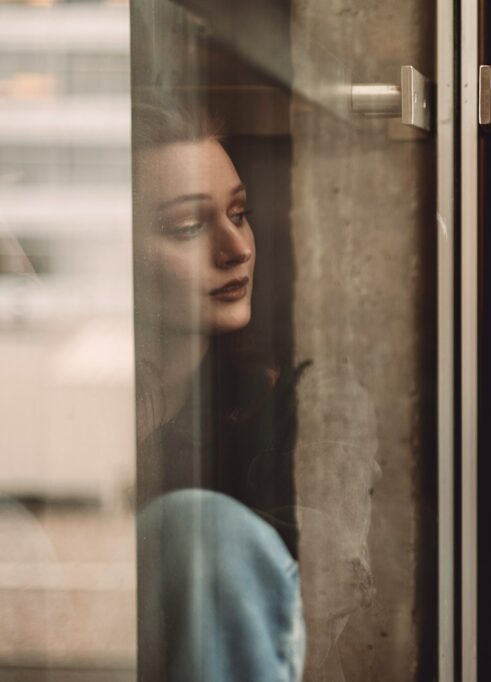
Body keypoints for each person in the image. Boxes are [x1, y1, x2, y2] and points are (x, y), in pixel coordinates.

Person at [132, 102, 306, 681]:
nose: (237, 249)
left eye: (239, 213)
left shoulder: (287, 410)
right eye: (187, 227)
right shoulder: (60, 424)